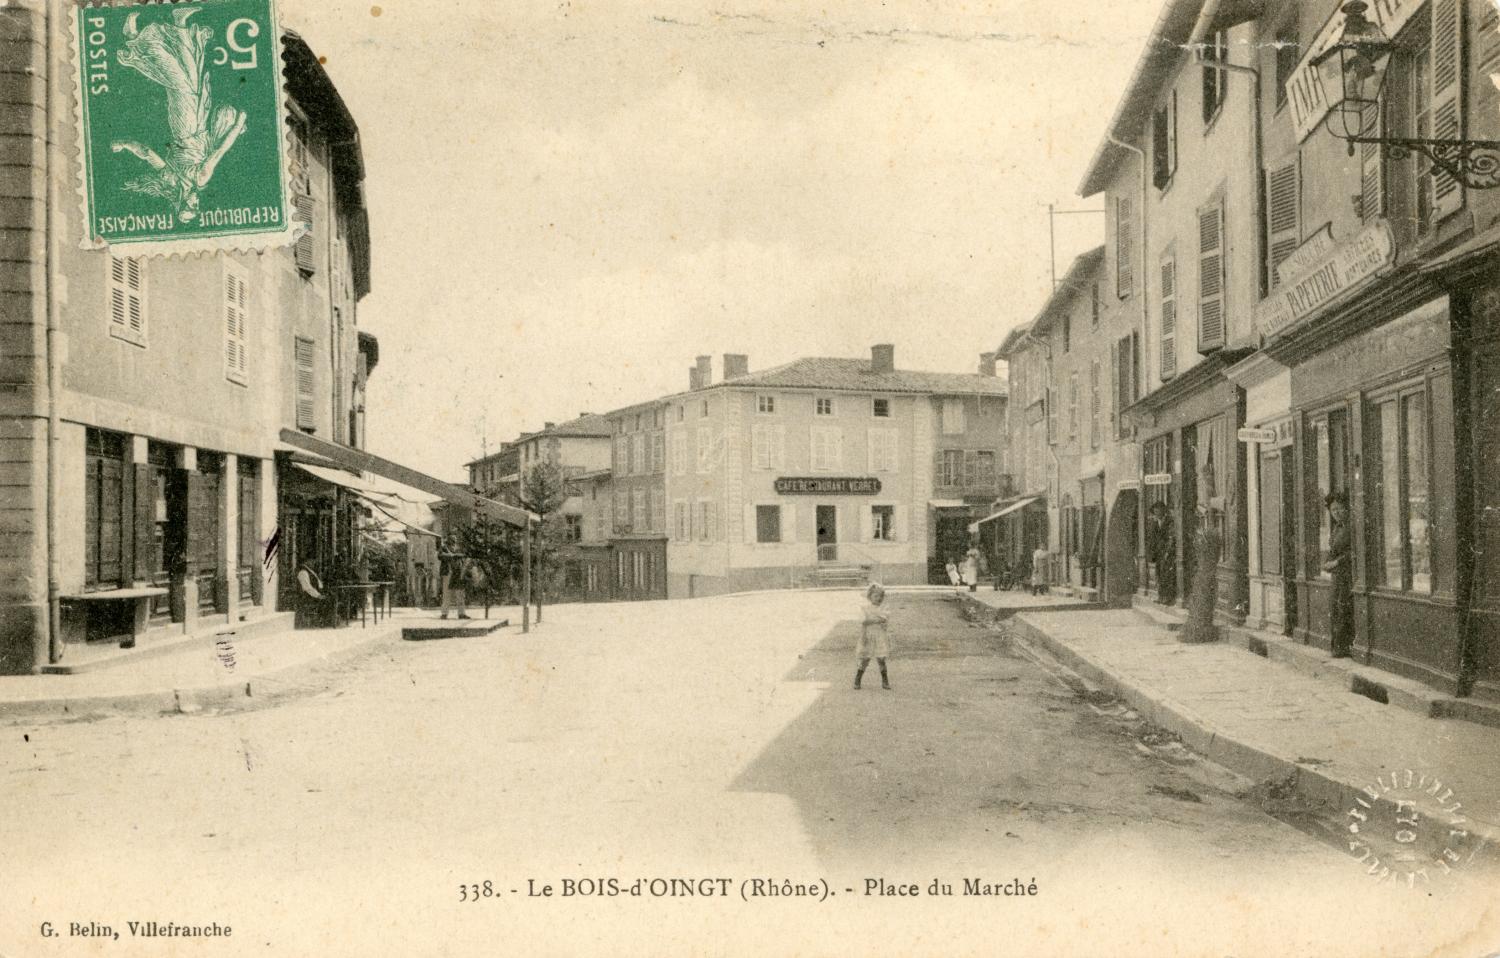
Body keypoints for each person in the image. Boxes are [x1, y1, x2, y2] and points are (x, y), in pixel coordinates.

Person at [1321, 492, 1354, 657]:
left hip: (1348, 575)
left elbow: (1354, 551)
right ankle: (1337, 647)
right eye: (1333, 510)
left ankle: (1344, 648)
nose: (1337, 512)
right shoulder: (1337, 528)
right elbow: (1333, 550)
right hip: (1337, 576)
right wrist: (1327, 561)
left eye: (1340, 508)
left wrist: (1337, 562)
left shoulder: (1351, 527)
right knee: (1336, 608)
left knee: (1344, 608)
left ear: (1346, 508)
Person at [855, 582, 892, 690]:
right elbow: (863, 621)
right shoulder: (865, 608)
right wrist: (876, 619)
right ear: (870, 596)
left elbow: (885, 618)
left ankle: (885, 681)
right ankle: (858, 679)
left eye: (881, 596)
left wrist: (873, 619)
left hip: (880, 637)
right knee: (865, 659)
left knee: (881, 659)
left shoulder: (884, 608)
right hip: (868, 636)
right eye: (876, 596)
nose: (879, 598)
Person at [1149, 501, 1177, 607]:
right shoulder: (1156, 523)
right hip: (1158, 553)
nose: (1156, 513)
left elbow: (1171, 538)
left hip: (1168, 553)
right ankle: (1160, 597)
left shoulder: (1169, 522)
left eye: (1158, 510)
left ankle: (1167, 598)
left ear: (1163, 510)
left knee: (1167, 575)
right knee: (1159, 574)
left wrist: (1167, 552)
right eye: (1155, 511)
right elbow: (1153, 539)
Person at [438, 535, 471, 620]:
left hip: (457, 573)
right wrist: (452, 556)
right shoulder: (444, 548)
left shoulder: (458, 549)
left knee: (460, 594)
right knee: (446, 594)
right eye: (451, 541)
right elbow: (440, 555)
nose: (453, 543)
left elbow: (463, 558)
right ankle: (444, 613)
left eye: (454, 541)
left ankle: (461, 613)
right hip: (448, 573)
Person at [295, 560, 334, 627]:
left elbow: (318, 583)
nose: (313, 563)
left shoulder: (310, 571)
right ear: (306, 561)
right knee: (327, 601)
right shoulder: (303, 572)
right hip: (307, 596)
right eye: (311, 561)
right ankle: (323, 622)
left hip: (313, 594)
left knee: (331, 598)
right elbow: (307, 588)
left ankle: (327, 621)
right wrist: (318, 595)